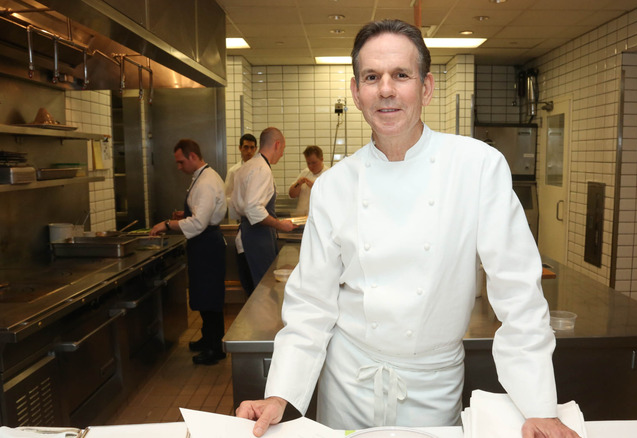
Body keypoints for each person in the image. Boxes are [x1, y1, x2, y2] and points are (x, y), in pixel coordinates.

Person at [236, 19, 580, 438]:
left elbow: (517, 291)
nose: (386, 89)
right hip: (347, 382)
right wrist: (280, 394)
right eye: (371, 77)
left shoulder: (476, 167)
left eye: (401, 75)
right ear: (356, 93)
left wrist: (539, 406)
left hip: (431, 385)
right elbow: (311, 303)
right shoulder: (334, 185)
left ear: (426, 88)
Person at [150, 139, 227, 366]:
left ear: (192, 156)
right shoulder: (201, 177)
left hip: (207, 245)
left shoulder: (206, 182)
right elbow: (200, 214)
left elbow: (199, 223)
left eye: (181, 162)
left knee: (210, 296)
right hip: (202, 244)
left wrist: (167, 224)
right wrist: (183, 216)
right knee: (203, 294)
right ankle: (208, 338)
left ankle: (215, 348)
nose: (179, 167)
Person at [231, 127, 295, 292]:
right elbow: (253, 209)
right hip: (257, 239)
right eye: (283, 149)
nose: (282, 154)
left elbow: (236, 206)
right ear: (277, 145)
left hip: (247, 235)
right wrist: (280, 225)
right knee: (263, 291)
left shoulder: (246, 167)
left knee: (254, 290)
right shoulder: (261, 169)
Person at [226, 133, 257, 296]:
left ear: (256, 149)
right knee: (245, 270)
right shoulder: (234, 171)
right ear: (240, 148)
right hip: (240, 221)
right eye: (246, 147)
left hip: (257, 223)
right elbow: (227, 195)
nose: (249, 151)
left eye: (252, 148)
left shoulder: (260, 168)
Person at [287, 145, 329, 216]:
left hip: (318, 219)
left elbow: (331, 200)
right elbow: (292, 194)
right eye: (308, 163)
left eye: (314, 163)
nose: (310, 166)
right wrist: (298, 184)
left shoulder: (328, 174)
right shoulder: (305, 172)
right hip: (301, 218)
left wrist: (315, 187)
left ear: (321, 159)